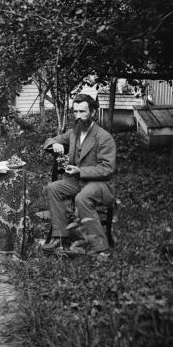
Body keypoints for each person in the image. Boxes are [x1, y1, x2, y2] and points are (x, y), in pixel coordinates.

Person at [42, 93, 116, 256]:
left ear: (93, 113)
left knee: (81, 198)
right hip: (78, 182)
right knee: (52, 188)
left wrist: (80, 171)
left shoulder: (104, 137)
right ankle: (60, 237)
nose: (78, 116)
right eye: (75, 112)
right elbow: (49, 141)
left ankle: (101, 249)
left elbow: (107, 169)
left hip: (100, 184)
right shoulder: (74, 133)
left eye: (83, 112)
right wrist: (55, 144)